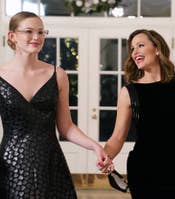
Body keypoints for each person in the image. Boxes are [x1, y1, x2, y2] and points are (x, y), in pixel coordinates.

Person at [0, 11, 112, 198]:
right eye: (29, 31)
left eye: (41, 32)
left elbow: (66, 127)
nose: (36, 37)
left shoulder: (58, 75)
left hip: (50, 163)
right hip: (11, 163)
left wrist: (95, 146)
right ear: (12, 36)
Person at [103, 29, 175, 199]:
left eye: (140, 45)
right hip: (143, 172)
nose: (135, 52)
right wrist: (105, 157)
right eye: (132, 49)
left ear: (157, 48)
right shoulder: (129, 92)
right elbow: (117, 137)